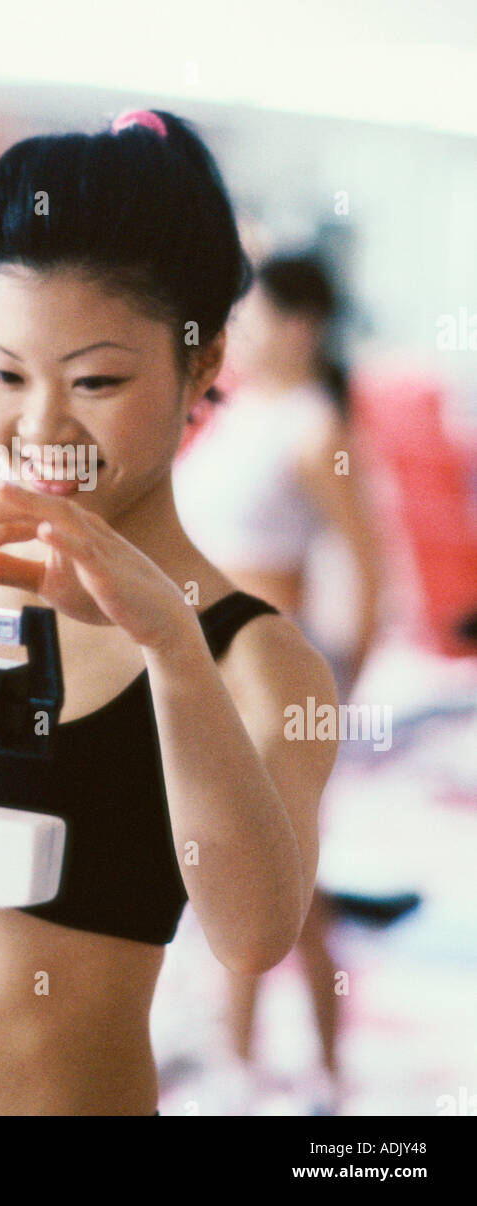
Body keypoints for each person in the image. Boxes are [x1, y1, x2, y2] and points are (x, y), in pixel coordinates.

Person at [0, 109, 339, 1117]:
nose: (41, 425)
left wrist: (169, 643)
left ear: (204, 360)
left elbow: (253, 932)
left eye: (96, 379)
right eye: (4, 372)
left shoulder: (253, 660)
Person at [173, 252, 382, 1113]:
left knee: (278, 874)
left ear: (300, 326)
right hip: (209, 668)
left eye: (256, 316)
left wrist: (341, 677)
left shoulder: (311, 426)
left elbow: (368, 563)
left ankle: (289, 1065)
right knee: (256, 869)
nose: (243, 331)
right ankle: (252, 1056)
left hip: (272, 671)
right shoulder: (235, 411)